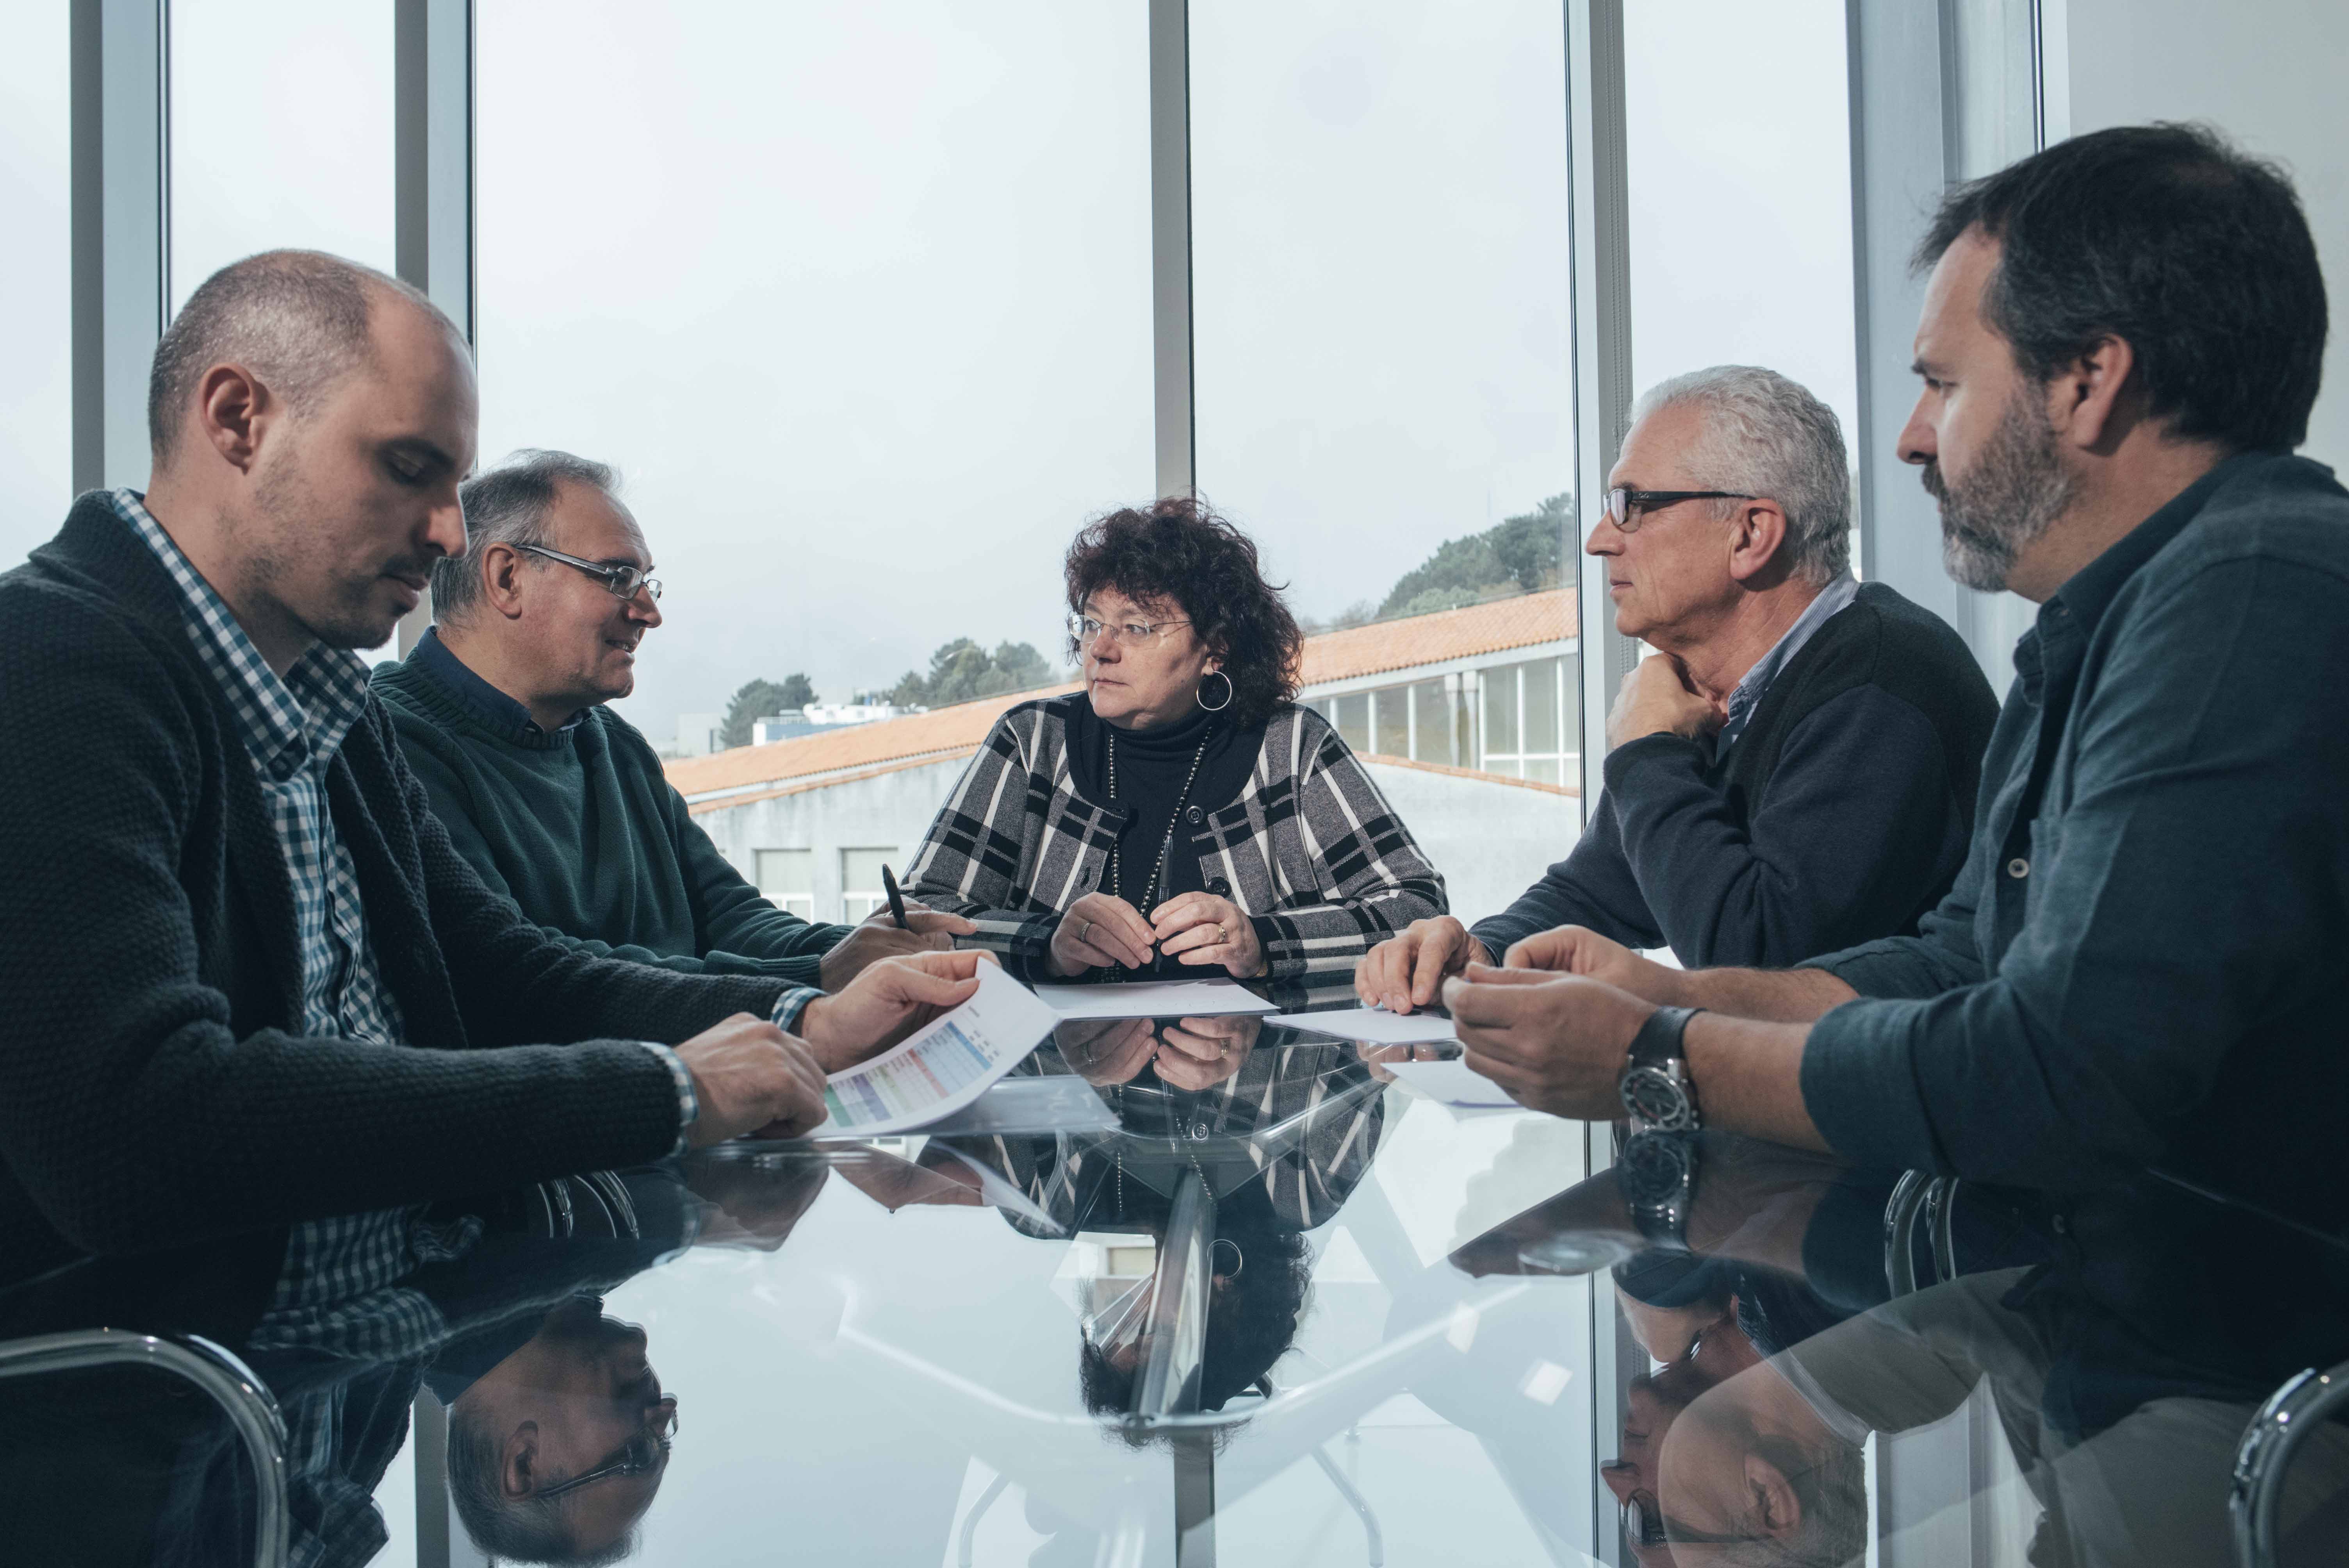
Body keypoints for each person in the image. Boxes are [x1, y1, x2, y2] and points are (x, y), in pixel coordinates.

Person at [1438, 126, 2349, 1388]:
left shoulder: (2244, 592)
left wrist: (1657, 1057)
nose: (1912, 438)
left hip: (2242, 1374)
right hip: (2115, 1334)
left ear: (2088, 379)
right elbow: (1959, 958)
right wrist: (1661, 998)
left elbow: (2054, 1072)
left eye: (1942, 383)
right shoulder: (2094, 624)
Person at [0, 249, 982, 1305]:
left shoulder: (332, 704)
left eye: (454, 489)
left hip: (354, 1376)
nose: (447, 535)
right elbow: (142, 1134)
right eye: (407, 469)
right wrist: (664, 1091)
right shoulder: (50, 665)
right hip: (173, 1422)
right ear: (239, 419)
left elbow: (498, 971)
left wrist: (804, 1021)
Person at [1358, 366, 1997, 1014]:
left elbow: (1757, 966)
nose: (1599, 540)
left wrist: (1646, 751)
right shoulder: (1712, 687)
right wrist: (1483, 952)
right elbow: (1604, 888)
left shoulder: (1879, 681)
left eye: (1631, 505)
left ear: (1750, 534)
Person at [372, 448, 968, 988]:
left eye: (645, 581)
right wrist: (820, 973)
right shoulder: (390, 744)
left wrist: (880, 952)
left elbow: (730, 916)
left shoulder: (612, 745)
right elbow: (523, 981)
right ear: (508, 579)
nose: (649, 612)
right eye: (617, 576)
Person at [905, 497, 1445, 998]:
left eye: (1136, 628)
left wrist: (1263, 943)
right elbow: (910, 917)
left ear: (1216, 648)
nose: (1101, 649)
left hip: (1258, 1088)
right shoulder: (1030, 741)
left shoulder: (1291, 746)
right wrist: (1043, 944)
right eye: (1092, 623)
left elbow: (1417, 910)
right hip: (1060, 1085)